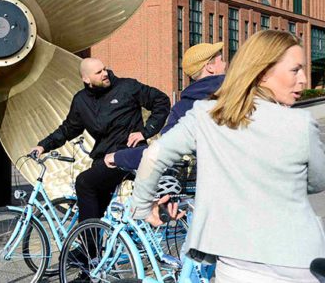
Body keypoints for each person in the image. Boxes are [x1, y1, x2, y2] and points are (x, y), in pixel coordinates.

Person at [131, 30, 325, 283]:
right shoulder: (300, 123)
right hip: (296, 261)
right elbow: (318, 181)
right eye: (295, 70)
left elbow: (154, 154)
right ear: (264, 72)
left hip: (234, 263)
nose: (304, 80)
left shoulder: (205, 114)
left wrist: (142, 207)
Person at [29, 58, 170, 222]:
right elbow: (68, 128)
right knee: (95, 209)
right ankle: (94, 242)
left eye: (104, 69)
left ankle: (88, 247)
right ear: (86, 79)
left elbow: (161, 100)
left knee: (84, 183)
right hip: (102, 160)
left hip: (126, 155)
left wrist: (145, 132)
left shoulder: (127, 87)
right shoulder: (81, 100)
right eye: (99, 72)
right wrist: (42, 146)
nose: (105, 74)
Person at [106, 42, 226, 170]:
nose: (225, 64)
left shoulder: (183, 109)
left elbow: (164, 150)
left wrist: (119, 157)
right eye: (221, 60)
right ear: (210, 68)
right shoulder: (242, 95)